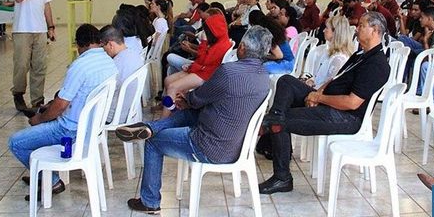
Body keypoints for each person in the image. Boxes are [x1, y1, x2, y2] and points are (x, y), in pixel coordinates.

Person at [117, 26, 272, 214]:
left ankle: (150, 201)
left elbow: (199, 98)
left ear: (242, 48)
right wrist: (190, 101)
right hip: (237, 144)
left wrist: (186, 99)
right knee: (189, 114)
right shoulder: (265, 77)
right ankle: (151, 126)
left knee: (154, 142)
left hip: (210, 146)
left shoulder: (229, 72)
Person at [258, 12, 390, 194]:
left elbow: (352, 103)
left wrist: (319, 98)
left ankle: (282, 177)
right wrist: (317, 93)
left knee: (279, 121)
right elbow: (335, 79)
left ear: (375, 30)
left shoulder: (377, 64)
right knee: (286, 81)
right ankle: (271, 124)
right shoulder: (361, 55)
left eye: (361, 26)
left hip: (344, 117)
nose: (356, 29)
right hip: (329, 103)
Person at [8, 24, 117, 200]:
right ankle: (41, 171)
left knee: (16, 142)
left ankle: (51, 180)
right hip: (91, 127)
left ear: (80, 45)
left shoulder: (80, 65)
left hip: (69, 130)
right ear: (98, 41)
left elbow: (60, 106)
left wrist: (39, 119)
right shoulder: (109, 63)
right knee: (44, 118)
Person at [161, 11, 232, 118]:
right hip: (202, 70)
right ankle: (173, 109)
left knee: (172, 87)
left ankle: (163, 120)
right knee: (168, 80)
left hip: (205, 75)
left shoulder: (221, 45)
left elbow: (203, 60)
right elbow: (202, 62)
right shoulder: (220, 40)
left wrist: (203, 43)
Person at [11, 0, 56, 112]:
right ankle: (18, 93)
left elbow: (47, 4)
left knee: (40, 65)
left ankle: (37, 100)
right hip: (22, 28)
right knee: (22, 65)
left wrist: (51, 26)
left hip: (40, 29)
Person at [100, 25, 144, 123]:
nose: (104, 51)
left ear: (111, 44)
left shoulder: (114, 65)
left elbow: (102, 91)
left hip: (113, 116)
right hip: (130, 111)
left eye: (103, 47)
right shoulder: (135, 55)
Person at [304, 15, 355, 89]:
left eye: (327, 28)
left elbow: (328, 87)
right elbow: (319, 77)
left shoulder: (339, 59)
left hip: (317, 94)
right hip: (315, 87)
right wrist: (311, 80)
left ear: (335, 32)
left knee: (286, 81)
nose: (324, 30)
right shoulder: (331, 52)